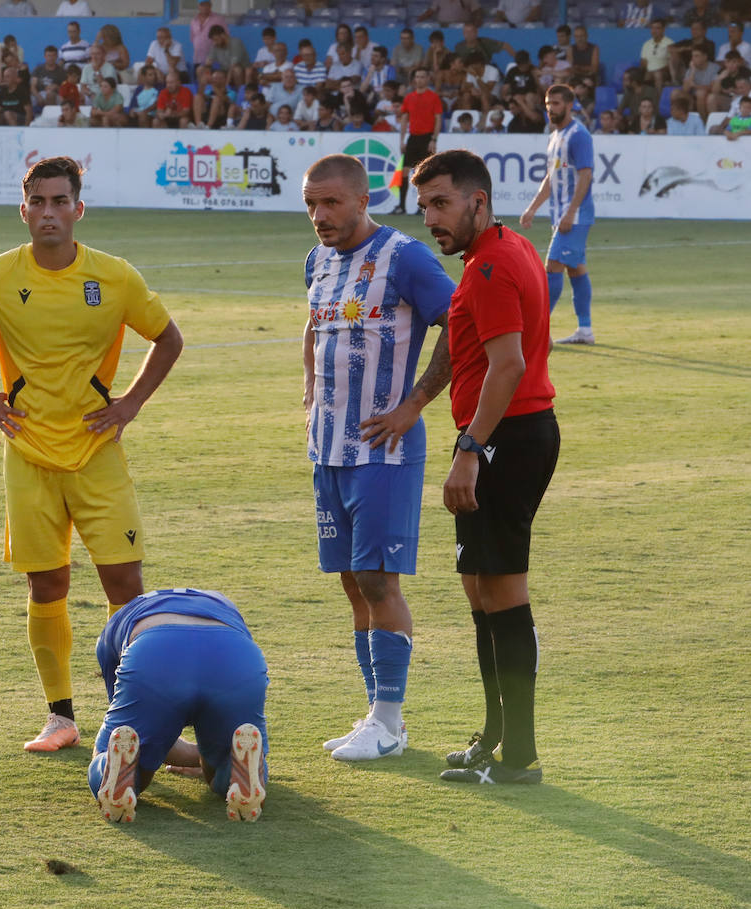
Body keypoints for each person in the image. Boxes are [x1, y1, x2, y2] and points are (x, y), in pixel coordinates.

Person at [0, 157, 183, 754]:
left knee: (126, 582)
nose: (49, 213)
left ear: (78, 209)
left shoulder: (114, 277)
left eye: (59, 201)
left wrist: (130, 404)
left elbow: (167, 337)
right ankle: (60, 717)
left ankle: (132, 715)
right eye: (38, 202)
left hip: (97, 450)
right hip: (29, 453)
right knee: (48, 583)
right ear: (24, 210)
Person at [410, 149, 559, 787]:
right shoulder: (503, 249)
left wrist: (469, 449)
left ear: (478, 200)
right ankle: (497, 736)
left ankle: (519, 755)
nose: (431, 220)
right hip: (506, 434)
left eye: (441, 204)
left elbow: (509, 367)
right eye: (424, 208)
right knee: (481, 589)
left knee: (501, 592)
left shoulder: (494, 266)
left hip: (505, 437)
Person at [301, 154, 455, 763]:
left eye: (332, 202)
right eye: (311, 203)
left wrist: (415, 402)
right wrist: (310, 389)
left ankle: (390, 721)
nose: (320, 215)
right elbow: (314, 325)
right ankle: (375, 715)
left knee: (376, 580)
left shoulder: (405, 257)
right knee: (351, 581)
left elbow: (459, 323)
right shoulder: (315, 260)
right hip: (328, 447)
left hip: (384, 451)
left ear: (364, 201)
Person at [89, 589, 268, 824]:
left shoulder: (114, 629)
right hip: (236, 653)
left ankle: (110, 770)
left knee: (116, 753)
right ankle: (234, 764)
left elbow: (133, 738)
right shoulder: (223, 604)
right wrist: (205, 757)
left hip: (153, 651)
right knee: (219, 766)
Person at [520, 84, 596, 346]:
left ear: (569, 105)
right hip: (562, 215)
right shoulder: (554, 136)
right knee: (576, 269)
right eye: (548, 103)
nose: (551, 108)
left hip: (574, 216)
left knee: (552, 266)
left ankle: (537, 331)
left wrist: (571, 211)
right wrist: (532, 208)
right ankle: (585, 330)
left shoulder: (579, 135)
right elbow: (551, 178)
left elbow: (586, 174)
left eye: (556, 104)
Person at [396, 67, 443, 214]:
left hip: (426, 137)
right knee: (404, 173)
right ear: (414, 79)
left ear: (427, 79)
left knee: (423, 175)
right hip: (413, 138)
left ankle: (421, 207)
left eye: (422, 77)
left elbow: (438, 119)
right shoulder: (409, 97)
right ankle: (401, 206)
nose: (419, 79)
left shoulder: (433, 97)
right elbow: (404, 119)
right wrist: (402, 140)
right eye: (417, 77)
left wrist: (434, 139)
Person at [639, 19, 675, 90]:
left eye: (657, 28)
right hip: (648, 71)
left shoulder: (670, 43)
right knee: (632, 75)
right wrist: (648, 71)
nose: (654, 31)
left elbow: (671, 64)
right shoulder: (646, 44)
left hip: (664, 73)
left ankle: (659, 100)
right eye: (652, 28)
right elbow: (643, 62)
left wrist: (656, 71)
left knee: (657, 74)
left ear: (663, 30)